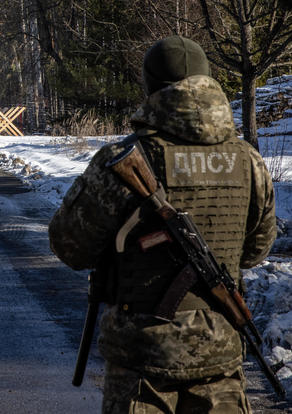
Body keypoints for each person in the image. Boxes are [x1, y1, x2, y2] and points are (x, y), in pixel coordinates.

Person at [48, 35, 276, 413]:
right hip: (220, 351)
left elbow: (69, 246)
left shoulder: (124, 158)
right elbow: (255, 251)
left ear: (150, 87)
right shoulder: (248, 160)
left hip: (143, 360)